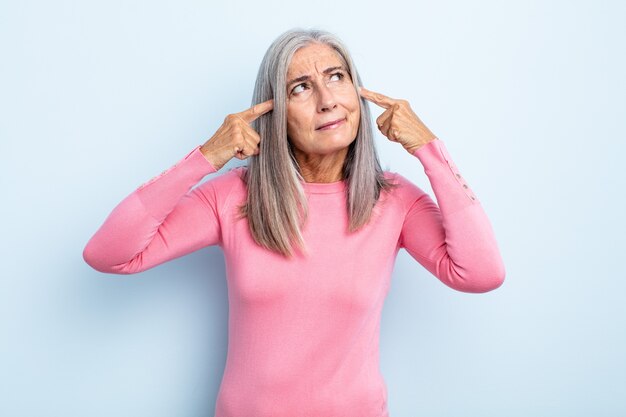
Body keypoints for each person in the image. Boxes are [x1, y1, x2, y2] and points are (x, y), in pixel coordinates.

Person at [83, 27, 505, 417]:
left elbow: (481, 273)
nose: (327, 100)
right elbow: (109, 254)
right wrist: (205, 158)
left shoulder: (393, 201)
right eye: (301, 88)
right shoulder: (234, 196)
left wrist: (428, 149)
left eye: (337, 77)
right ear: (275, 111)